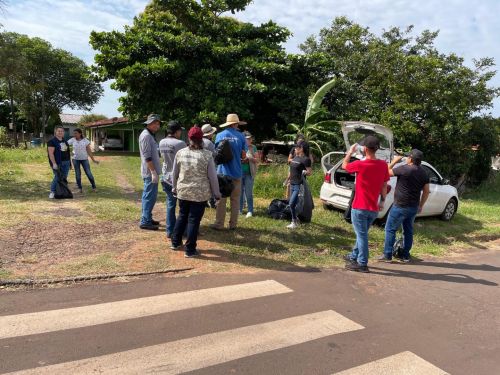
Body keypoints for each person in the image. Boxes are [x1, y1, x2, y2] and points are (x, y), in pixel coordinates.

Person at [171, 127, 221, 257]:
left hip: (183, 191)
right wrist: (217, 194)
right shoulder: (207, 155)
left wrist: (174, 187)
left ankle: (175, 242)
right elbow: (212, 177)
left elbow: (174, 173)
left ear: (189, 138)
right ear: (201, 140)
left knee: (182, 216)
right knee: (193, 220)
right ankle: (190, 250)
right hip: (199, 194)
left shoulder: (180, 153)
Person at [343, 135, 389, 272]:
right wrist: (382, 201)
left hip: (359, 207)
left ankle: (362, 263)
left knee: (362, 235)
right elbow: (384, 185)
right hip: (373, 209)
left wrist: (350, 152)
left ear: (365, 149)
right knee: (361, 234)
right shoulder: (383, 165)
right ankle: (353, 256)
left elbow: (345, 166)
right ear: (377, 149)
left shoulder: (360, 164)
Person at [379, 149, 430, 263]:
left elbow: (385, 173)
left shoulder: (404, 168)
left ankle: (387, 255)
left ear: (410, 159)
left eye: (408, 157)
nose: (406, 158)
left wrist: (394, 161)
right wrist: (421, 205)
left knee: (390, 229)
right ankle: (405, 255)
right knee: (408, 231)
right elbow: (426, 191)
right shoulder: (424, 173)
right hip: (413, 207)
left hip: (400, 206)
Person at [211, 113, 248, 230]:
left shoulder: (220, 135)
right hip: (237, 172)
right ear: (236, 124)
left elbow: (216, 152)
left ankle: (219, 224)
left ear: (228, 123)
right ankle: (233, 225)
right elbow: (243, 155)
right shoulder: (241, 136)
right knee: (235, 200)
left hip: (222, 173)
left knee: (221, 200)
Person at [159, 120, 186, 238]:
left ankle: (170, 230)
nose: (180, 133)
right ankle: (181, 230)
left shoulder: (161, 142)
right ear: (176, 131)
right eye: (180, 130)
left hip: (165, 176)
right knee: (182, 206)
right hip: (178, 177)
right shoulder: (181, 143)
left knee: (170, 204)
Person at [139, 114, 162, 230]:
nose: (157, 126)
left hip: (151, 171)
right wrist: (153, 171)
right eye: (155, 123)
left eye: (158, 123)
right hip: (149, 172)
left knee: (149, 196)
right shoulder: (146, 136)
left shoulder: (150, 135)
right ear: (149, 123)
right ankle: (145, 220)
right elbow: (147, 156)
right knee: (149, 196)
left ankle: (147, 217)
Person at [285, 141, 312, 229]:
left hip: (299, 185)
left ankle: (294, 220)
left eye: (297, 147)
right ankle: (295, 220)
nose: (295, 149)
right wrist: (287, 180)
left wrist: (304, 172)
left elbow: (309, 172)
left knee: (292, 203)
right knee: (292, 203)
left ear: (302, 149)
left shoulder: (306, 159)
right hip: (292, 184)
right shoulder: (295, 157)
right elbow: (291, 170)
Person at [67, 128, 99, 194]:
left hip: (84, 159)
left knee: (88, 173)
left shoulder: (85, 140)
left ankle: (94, 187)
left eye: (76, 133)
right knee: (78, 174)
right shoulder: (72, 140)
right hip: (75, 159)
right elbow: (65, 144)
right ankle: (79, 188)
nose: (74, 135)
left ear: (80, 133)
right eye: (74, 133)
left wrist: (93, 159)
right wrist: (69, 152)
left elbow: (89, 151)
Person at [47, 126, 71, 199]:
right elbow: (51, 154)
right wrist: (54, 163)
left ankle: (62, 191)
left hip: (66, 162)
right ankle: (52, 191)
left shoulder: (65, 141)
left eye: (62, 131)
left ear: (63, 132)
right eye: (59, 131)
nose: (60, 132)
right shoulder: (52, 141)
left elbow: (67, 152)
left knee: (64, 177)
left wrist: (70, 163)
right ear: (55, 132)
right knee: (57, 177)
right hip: (57, 162)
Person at [239, 131, 258, 218]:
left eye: (250, 138)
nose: (250, 140)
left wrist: (249, 158)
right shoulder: (239, 146)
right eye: (247, 138)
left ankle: (250, 210)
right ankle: (240, 210)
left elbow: (257, 160)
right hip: (239, 172)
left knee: (248, 192)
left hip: (249, 173)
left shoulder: (253, 147)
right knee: (239, 192)